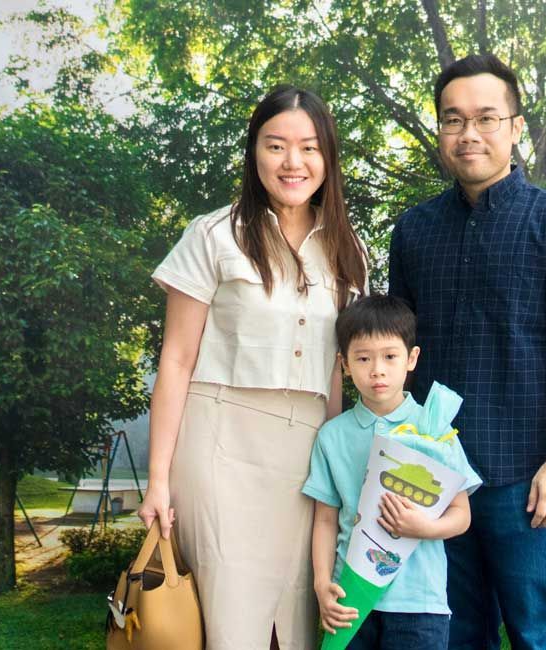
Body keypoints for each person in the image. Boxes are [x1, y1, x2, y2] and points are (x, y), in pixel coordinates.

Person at [138, 85, 368, 650]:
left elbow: (337, 370)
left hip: (307, 452)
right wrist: (159, 478)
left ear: (328, 158)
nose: (294, 163)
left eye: (310, 148)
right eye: (276, 146)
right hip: (219, 445)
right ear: (254, 152)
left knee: (297, 616)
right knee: (228, 616)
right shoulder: (213, 234)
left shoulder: (348, 249)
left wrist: (338, 466)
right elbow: (176, 359)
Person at [388, 54, 546, 649]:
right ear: (440, 132)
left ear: (515, 126)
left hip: (526, 477)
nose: (469, 133)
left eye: (486, 118)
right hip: (434, 474)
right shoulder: (413, 231)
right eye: (453, 120)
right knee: (454, 635)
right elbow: (397, 350)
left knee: (538, 634)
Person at [302, 295, 482, 649]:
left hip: (420, 603)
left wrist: (425, 528)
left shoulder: (434, 430)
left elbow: (462, 515)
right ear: (345, 364)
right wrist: (322, 584)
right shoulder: (332, 436)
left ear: (411, 359)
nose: (377, 370)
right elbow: (325, 519)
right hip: (350, 596)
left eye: (389, 356)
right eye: (363, 358)